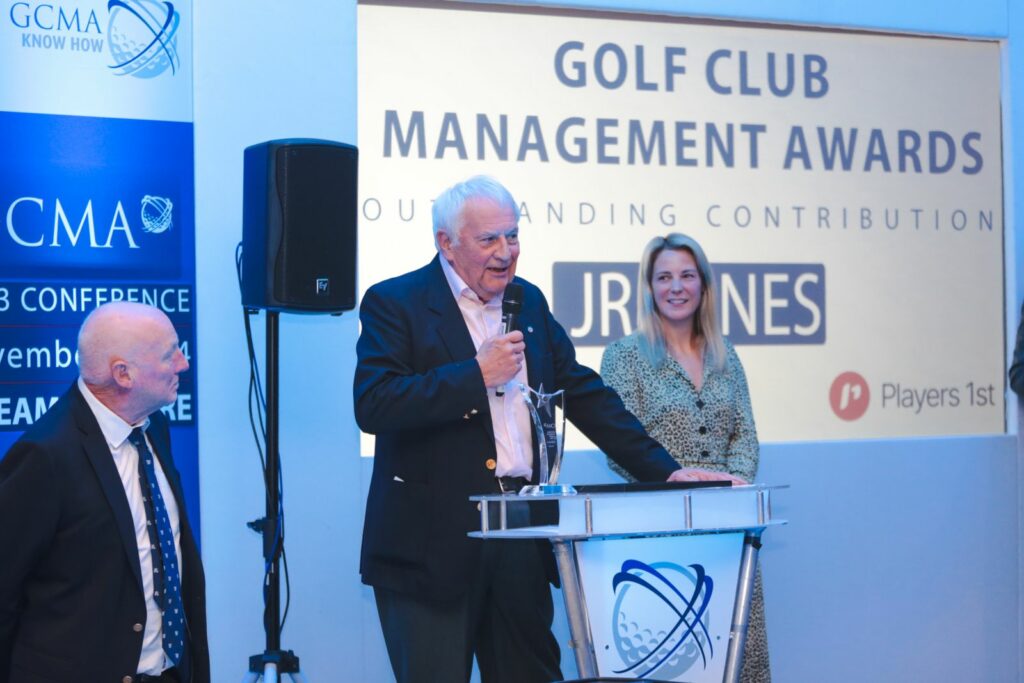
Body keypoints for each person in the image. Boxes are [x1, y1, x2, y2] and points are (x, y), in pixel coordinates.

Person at [355, 176, 705, 683]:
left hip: (520, 535)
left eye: (513, 235)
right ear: (446, 243)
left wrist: (665, 471)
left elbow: (584, 394)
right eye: (489, 239)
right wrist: (475, 375)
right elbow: (374, 403)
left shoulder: (529, 302)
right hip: (430, 550)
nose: (506, 252)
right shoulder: (396, 301)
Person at [0, 302, 209, 683]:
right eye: (170, 355)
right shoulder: (44, 455)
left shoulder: (154, 427)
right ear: (123, 374)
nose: (183, 364)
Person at [600, 232, 770, 682]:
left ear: (704, 285)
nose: (676, 287)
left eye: (687, 276)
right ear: (649, 288)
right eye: (664, 277)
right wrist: (676, 483)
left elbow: (745, 435)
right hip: (660, 533)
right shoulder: (623, 357)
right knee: (676, 659)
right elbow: (620, 446)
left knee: (737, 655)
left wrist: (729, 489)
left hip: (729, 527)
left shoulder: (725, 353)